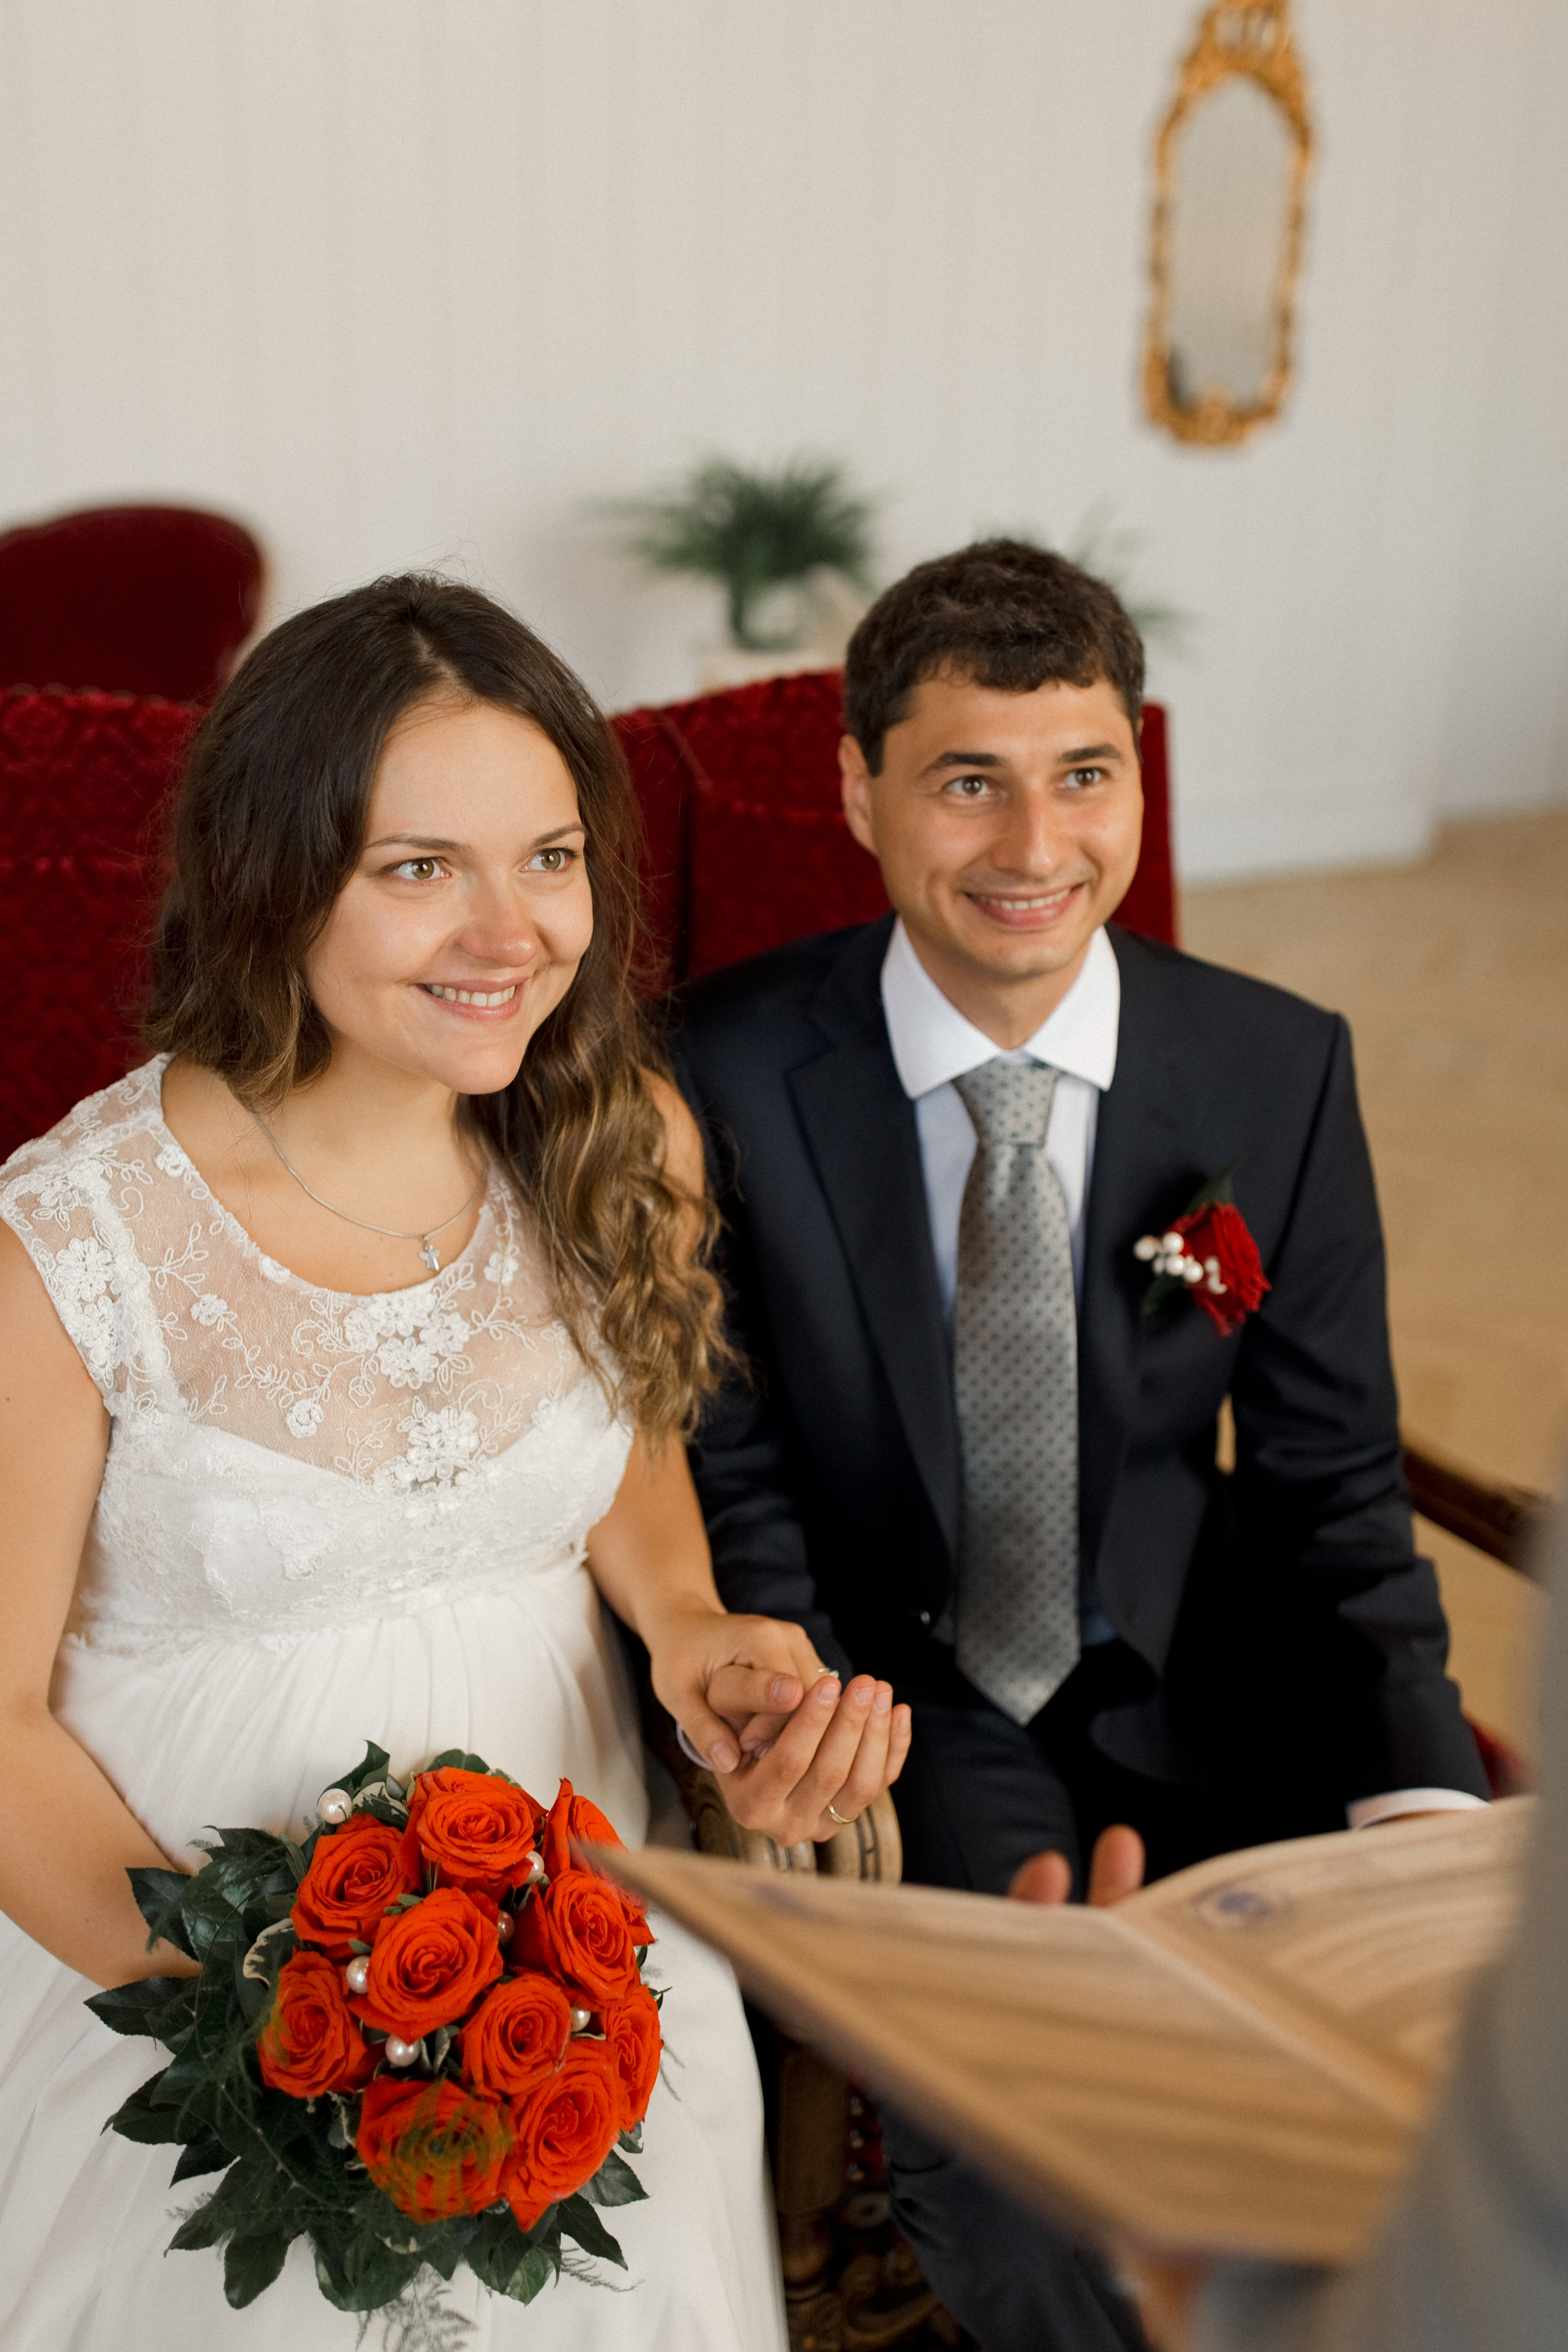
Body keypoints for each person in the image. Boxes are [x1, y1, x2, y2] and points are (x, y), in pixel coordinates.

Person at [0, 575, 911, 2350]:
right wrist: (285, 2043)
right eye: (420, 868)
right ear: (277, 877)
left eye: (551, 859)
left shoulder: (616, 1129)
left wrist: (696, 1632)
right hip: (185, 1986)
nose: (512, 932)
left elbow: (630, 1481)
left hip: (579, 1975)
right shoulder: (72, 1244)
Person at [663, 539, 1490, 2351]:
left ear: (1137, 778)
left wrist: (1423, 1805)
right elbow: (727, 1467)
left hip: (1214, 1675)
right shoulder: (715, 1078)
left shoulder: (1278, 1070)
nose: (1037, 847)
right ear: (859, 790)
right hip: (913, 1705)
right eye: (969, 780)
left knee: (1420, 2103)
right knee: (1033, 2170)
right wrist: (811, 1717)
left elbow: (1333, 1477)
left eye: (1085, 775)